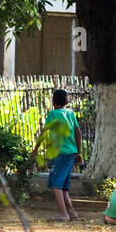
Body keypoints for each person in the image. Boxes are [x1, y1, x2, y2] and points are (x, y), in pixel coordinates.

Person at [30, 88, 82, 222]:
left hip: (61, 153)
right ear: (66, 101)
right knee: (64, 185)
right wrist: (79, 152)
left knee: (55, 184)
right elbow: (78, 133)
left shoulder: (52, 114)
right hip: (72, 152)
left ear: (53, 101)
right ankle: (71, 212)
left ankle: (63, 214)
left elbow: (44, 133)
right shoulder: (70, 113)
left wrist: (35, 149)